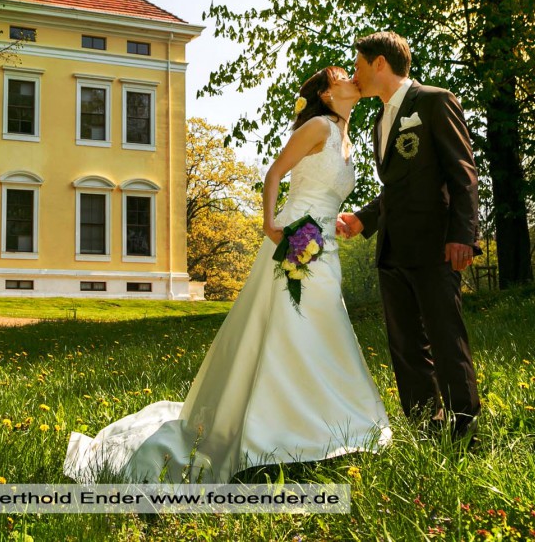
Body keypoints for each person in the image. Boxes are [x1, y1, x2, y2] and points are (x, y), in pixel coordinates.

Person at [64, 67, 392, 485]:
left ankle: (325, 421)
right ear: (328, 94)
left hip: (324, 239)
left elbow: (324, 189)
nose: (352, 78)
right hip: (297, 235)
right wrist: (270, 224)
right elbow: (274, 173)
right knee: (296, 322)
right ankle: (277, 430)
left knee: (323, 322)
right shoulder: (318, 126)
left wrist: (342, 220)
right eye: (344, 76)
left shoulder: (347, 140)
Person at [336, 31, 482, 443]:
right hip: (393, 250)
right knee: (405, 346)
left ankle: (465, 431)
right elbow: (398, 187)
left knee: (444, 337)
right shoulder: (380, 120)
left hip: (435, 244)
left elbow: (463, 172)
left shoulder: (434, 101)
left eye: (359, 65)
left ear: (379, 62)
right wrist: (364, 220)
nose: (355, 74)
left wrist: (463, 235)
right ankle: (426, 429)